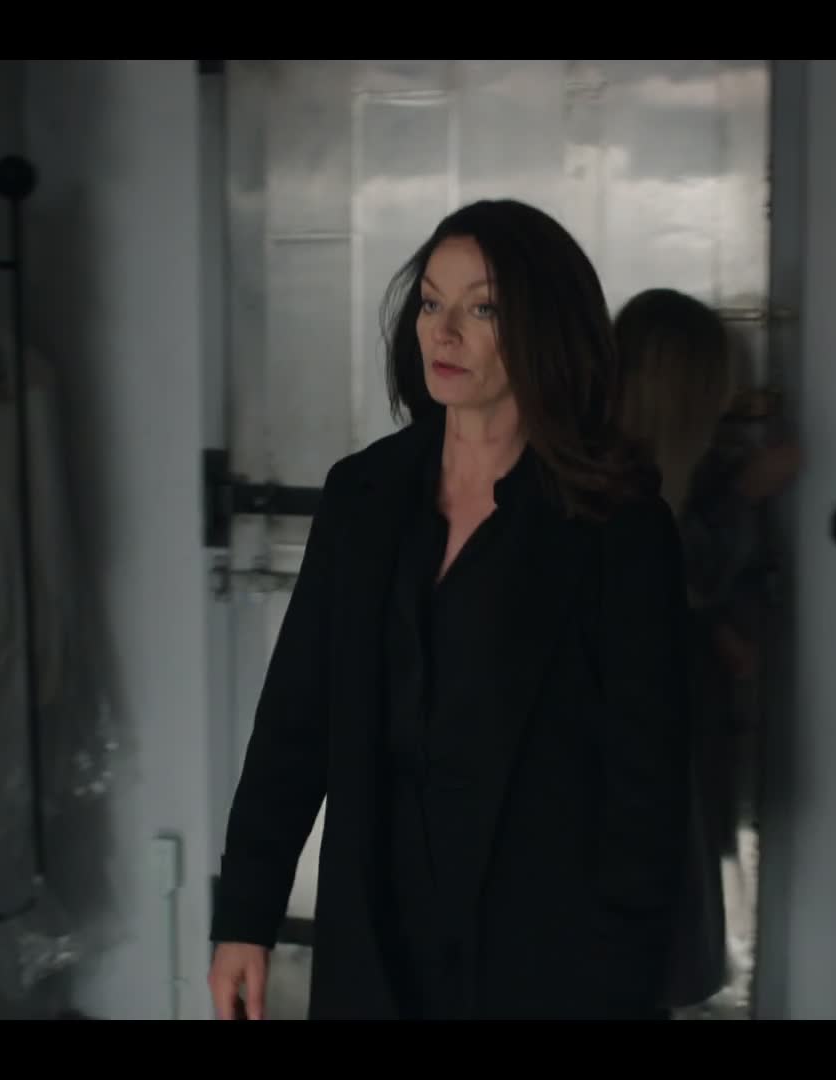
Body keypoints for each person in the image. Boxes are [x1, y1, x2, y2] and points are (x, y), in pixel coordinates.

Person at [207, 200, 694, 1021]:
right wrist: (244, 917)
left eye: (484, 308)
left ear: (545, 327)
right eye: (432, 302)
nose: (445, 330)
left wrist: (621, 985)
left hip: (545, 962)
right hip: (375, 947)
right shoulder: (362, 496)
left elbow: (645, 794)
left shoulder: (618, 528)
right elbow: (295, 722)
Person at [611, 288, 804, 1015]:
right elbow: (669, 570)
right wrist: (746, 495)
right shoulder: (617, 489)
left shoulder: (647, 473)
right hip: (629, 777)